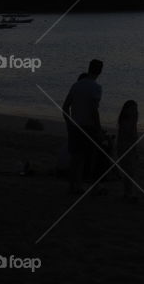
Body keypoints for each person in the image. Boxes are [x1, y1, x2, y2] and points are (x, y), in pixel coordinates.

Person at [62, 59, 104, 195]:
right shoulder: (96, 87)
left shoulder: (76, 85)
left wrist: (69, 123)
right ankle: (79, 185)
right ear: (100, 71)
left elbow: (65, 106)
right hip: (88, 127)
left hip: (75, 125)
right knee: (87, 158)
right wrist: (98, 128)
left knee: (75, 158)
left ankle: (72, 185)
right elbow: (93, 110)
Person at [116, 100, 139, 202]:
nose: (136, 112)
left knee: (129, 171)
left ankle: (127, 192)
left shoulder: (129, 121)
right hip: (125, 147)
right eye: (134, 109)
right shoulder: (126, 122)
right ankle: (128, 193)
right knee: (129, 171)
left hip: (127, 147)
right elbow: (129, 135)